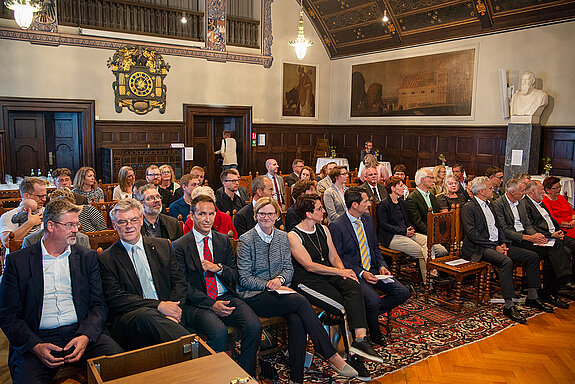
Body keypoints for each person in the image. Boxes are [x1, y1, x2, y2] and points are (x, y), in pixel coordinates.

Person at [0, 198, 123, 383]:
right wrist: (35, 346)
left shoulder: (86, 257)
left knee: (122, 365)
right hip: (38, 336)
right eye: (70, 225)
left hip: (80, 331)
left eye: (77, 224)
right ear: (50, 226)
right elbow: (7, 314)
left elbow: (98, 304)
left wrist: (86, 336)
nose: (76, 229)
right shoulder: (19, 262)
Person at [236, 197, 359, 383]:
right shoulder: (246, 240)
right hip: (255, 295)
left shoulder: (282, 237)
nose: (266, 217)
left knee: (298, 321)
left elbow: (288, 269)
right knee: (301, 301)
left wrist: (279, 280)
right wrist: (269, 284)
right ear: (255, 216)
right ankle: (330, 354)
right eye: (262, 214)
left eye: (270, 213)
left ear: (277, 216)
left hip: (279, 293)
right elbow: (244, 278)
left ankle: (296, 379)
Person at [290, 194, 382, 381]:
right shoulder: (293, 235)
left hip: (329, 274)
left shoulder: (323, 229)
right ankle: (347, 357)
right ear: (308, 213)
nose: (323, 211)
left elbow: (333, 257)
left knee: (353, 286)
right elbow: (309, 265)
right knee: (342, 307)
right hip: (307, 281)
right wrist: (339, 273)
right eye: (319, 209)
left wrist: (345, 272)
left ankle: (360, 340)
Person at [172, 195, 261, 377]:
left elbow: (235, 274)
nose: (207, 219)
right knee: (218, 332)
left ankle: (244, 374)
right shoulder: (179, 246)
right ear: (192, 215)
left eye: (211, 214)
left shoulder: (222, 240)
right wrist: (211, 303)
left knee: (253, 326)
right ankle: (215, 377)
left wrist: (218, 268)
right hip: (198, 303)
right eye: (202, 214)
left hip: (224, 296)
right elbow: (182, 286)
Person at [98, 198, 191, 350]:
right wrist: (159, 306)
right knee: (146, 315)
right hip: (130, 319)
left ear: (141, 220)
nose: (129, 226)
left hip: (169, 313)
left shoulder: (163, 246)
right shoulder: (106, 259)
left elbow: (179, 282)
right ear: (114, 225)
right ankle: (198, 352)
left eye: (133, 220)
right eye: (122, 222)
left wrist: (172, 311)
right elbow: (117, 298)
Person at [461, 177, 550, 323]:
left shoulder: (489, 205)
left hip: (497, 244)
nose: (493, 190)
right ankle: (509, 305)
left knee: (532, 256)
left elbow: (499, 228)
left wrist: (502, 243)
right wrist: (493, 246)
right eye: (490, 188)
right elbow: (472, 234)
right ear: (482, 191)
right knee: (506, 261)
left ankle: (533, 296)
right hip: (479, 247)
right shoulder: (469, 207)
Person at [329, 187, 410, 347]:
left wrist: (381, 265)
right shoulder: (337, 226)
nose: (369, 204)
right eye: (366, 201)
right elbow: (339, 258)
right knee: (372, 300)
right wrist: (362, 273)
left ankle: (364, 315)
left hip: (374, 269)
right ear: (354, 205)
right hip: (354, 273)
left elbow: (374, 247)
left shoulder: (367, 220)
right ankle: (375, 333)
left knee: (403, 292)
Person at [492, 179, 573, 301]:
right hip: (512, 240)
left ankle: (550, 291)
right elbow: (504, 230)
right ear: (512, 192)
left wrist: (536, 236)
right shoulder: (499, 204)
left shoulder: (521, 202)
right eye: (522, 190)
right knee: (548, 251)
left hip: (525, 237)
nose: (525, 193)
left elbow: (528, 225)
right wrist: (529, 237)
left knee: (555, 247)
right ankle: (551, 287)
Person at [524, 180, 575, 307]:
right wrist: (551, 235)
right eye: (541, 189)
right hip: (543, 237)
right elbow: (531, 227)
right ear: (532, 191)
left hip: (555, 234)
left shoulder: (540, 203)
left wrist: (559, 231)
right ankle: (554, 289)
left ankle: (565, 282)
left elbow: (551, 221)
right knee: (562, 251)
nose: (543, 192)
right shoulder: (526, 205)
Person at [378, 177, 430, 283]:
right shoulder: (384, 204)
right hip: (391, 236)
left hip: (406, 232)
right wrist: (403, 231)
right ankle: (428, 281)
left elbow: (406, 220)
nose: (403, 188)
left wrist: (410, 228)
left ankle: (430, 272)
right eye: (401, 185)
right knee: (421, 251)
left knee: (428, 242)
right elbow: (384, 225)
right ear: (393, 188)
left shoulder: (402, 202)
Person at [406, 168, 448, 257]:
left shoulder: (432, 197)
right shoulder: (412, 198)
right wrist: (432, 233)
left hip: (435, 232)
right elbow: (417, 222)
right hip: (421, 233)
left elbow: (436, 216)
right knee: (442, 251)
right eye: (431, 178)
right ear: (422, 180)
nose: (434, 180)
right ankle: (431, 268)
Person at [0, 177, 46, 250]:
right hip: (18, 258)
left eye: (45, 195)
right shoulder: (7, 216)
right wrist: (30, 223)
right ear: (26, 196)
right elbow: (7, 243)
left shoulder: (47, 212)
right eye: (39, 196)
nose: (44, 199)